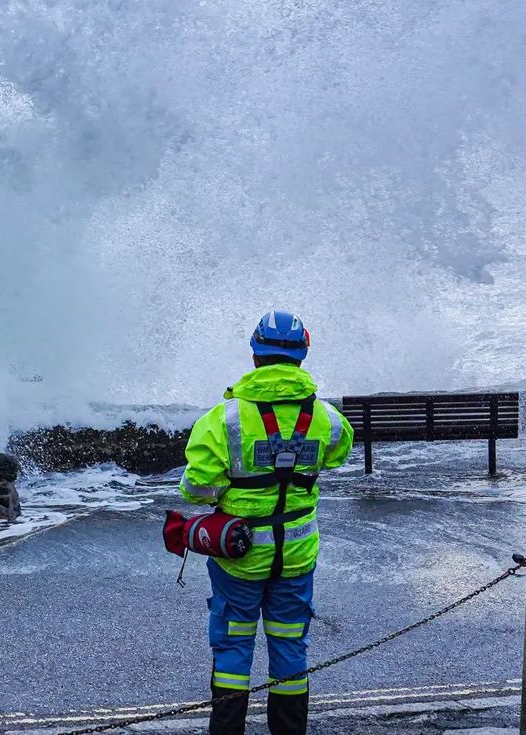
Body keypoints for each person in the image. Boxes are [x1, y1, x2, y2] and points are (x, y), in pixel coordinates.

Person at [179, 311, 355, 735]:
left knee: (233, 649)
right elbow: (338, 455)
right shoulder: (328, 418)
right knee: (291, 647)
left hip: (239, 557)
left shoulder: (225, 418)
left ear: (255, 354)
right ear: (302, 355)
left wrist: (225, 490)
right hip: (296, 555)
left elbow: (196, 489)